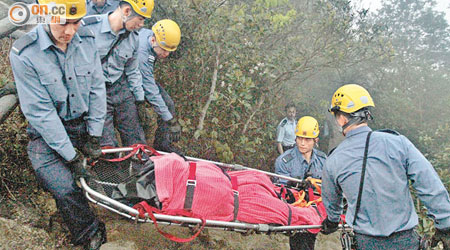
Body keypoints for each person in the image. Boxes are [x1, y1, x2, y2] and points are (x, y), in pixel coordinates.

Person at [9, 0, 107, 249]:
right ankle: (89, 231)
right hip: (45, 136)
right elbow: (40, 113)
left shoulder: (86, 39)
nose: (70, 32)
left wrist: (94, 135)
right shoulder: (25, 53)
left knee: (107, 171)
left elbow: (97, 88)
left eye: (77, 22)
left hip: (82, 126)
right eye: (64, 22)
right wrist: (72, 157)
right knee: (64, 188)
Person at [321, 84, 450, 250]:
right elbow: (428, 184)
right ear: (367, 114)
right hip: (406, 242)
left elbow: (332, 203)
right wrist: (445, 225)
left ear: (341, 118)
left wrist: (331, 222)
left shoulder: (333, 160)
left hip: (365, 243)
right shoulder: (398, 143)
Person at [81, 0, 154, 148]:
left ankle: (140, 169)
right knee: (106, 144)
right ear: (127, 11)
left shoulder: (133, 38)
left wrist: (140, 101)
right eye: (140, 19)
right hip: (96, 91)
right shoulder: (88, 28)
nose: (141, 25)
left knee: (136, 138)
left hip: (120, 87)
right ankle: (111, 169)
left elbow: (133, 71)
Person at [274, 116, 326, 250]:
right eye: (299, 139)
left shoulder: (323, 160)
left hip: (315, 210)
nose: (302, 143)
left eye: (307, 139)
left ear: (316, 140)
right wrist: (297, 186)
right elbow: (282, 189)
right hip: (295, 211)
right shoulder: (285, 161)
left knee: (309, 243)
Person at [137, 19, 182, 153]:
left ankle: (163, 144)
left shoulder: (153, 36)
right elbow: (150, 91)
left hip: (143, 77)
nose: (166, 54)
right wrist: (170, 120)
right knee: (136, 118)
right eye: (164, 50)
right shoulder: (142, 55)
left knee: (168, 104)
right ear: (153, 40)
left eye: (169, 51)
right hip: (128, 80)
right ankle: (139, 151)